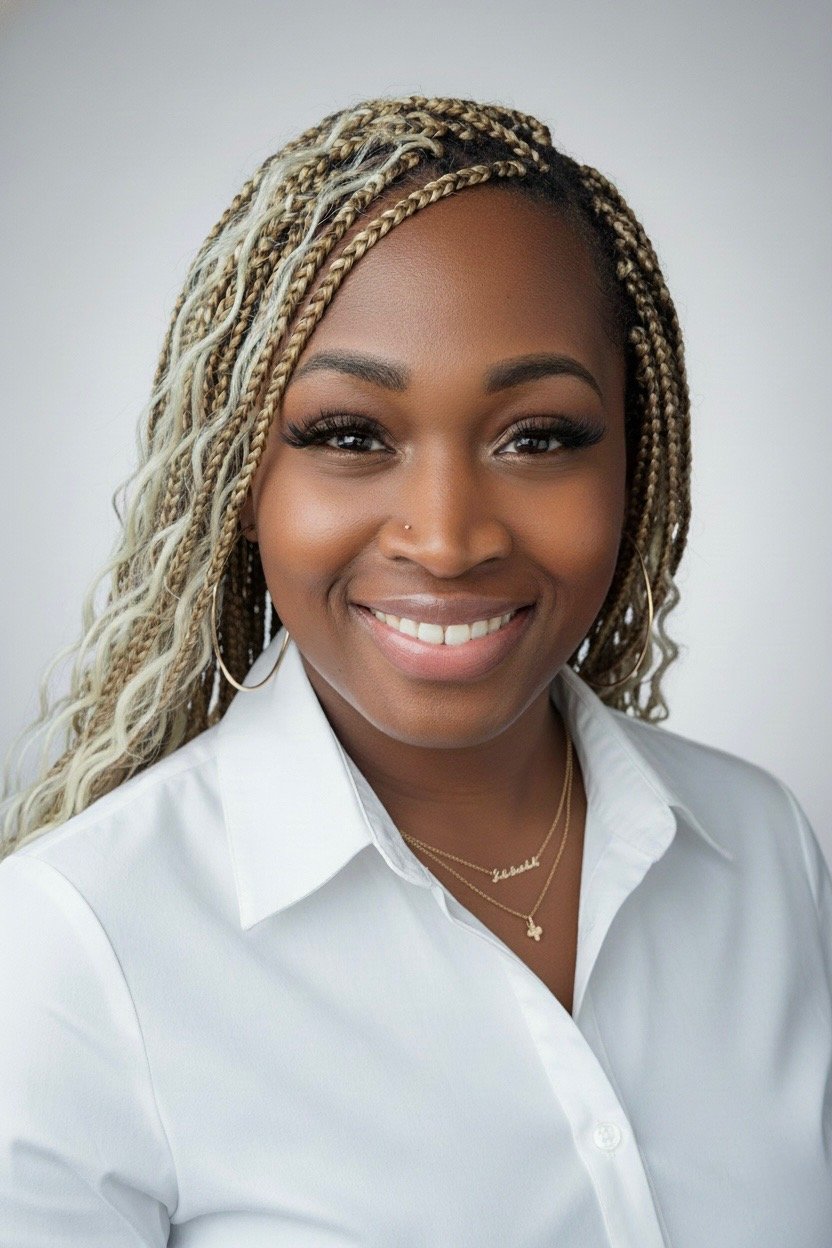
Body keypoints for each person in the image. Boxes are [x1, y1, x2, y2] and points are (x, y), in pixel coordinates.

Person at [0, 94, 829, 1248]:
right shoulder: (74, 953)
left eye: (537, 436)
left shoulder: (761, 851)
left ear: (636, 468)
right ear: (241, 484)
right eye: (349, 436)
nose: (445, 539)